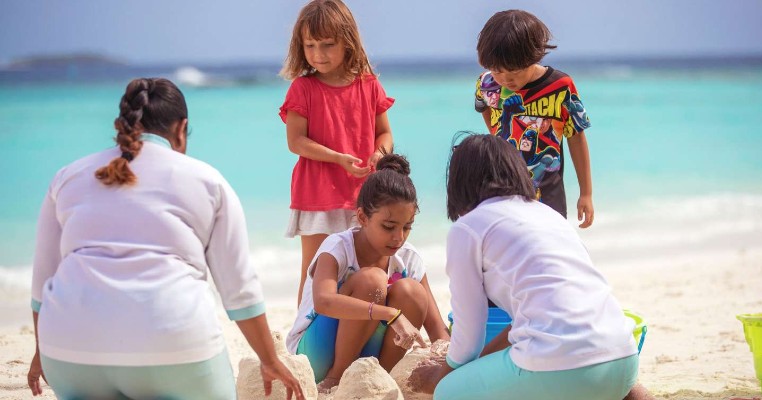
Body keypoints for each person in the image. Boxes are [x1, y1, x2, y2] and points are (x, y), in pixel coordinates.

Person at [26, 78, 304, 400]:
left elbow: (42, 282)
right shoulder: (208, 181)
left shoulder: (67, 176)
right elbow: (238, 289)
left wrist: (41, 350)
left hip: (68, 351)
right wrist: (269, 360)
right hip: (174, 350)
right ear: (181, 128)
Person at [408, 134, 644, 400]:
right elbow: (532, 323)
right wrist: (480, 368)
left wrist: (441, 375)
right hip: (624, 362)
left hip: (566, 371)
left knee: (447, 392)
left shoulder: (469, 227)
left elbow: (469, 336)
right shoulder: (549, 216)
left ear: (460, 181)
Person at [285, 153, 451, 393]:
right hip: (317, 355)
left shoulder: (408, 257)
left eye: (407, 227)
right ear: (362, 217)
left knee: (411, 292)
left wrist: (449, 365)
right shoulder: (337, 247)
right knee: (372, 280)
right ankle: (335, 381)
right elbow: (323, 302)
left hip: (368, 355)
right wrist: (391, 314)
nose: (399, 237)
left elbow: (438, 332)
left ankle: (376, 382)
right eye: (388, 227)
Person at [279, 0, 395, 305]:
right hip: (317, 193)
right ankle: (303, 333)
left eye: (328, 45)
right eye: (310, 45)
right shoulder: (302, 89)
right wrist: (337, 158)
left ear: (348, 42)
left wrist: (379, 154)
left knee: (367, 267)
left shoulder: (369, 85)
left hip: (362, 193)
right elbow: (296, 142)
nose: (318, 54)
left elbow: (384, 132)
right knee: (316, 271)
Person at [474, 9, 594, 228]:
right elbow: (483, 106)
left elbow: (575, 136)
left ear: (533, 56)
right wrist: (497, 135)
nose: (506, 79)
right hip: (499, 188)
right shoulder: (487, 83)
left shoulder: (560, 86)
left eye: (515, 71)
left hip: (547, 191)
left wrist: (586, 193)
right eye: (497, 71)